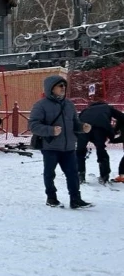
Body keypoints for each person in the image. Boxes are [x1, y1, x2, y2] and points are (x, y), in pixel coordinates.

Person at [29, 75, 92, 209]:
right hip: (50, 147)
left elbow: (75, 123)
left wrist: (82, 127)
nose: (63, 88)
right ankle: (51, 198)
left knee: (73, 174)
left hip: (68, 147)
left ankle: (75, 199)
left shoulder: (69, 104)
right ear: (51, 88)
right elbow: (33, 125)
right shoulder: (40, 105)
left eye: (64, 86)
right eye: (60, 86)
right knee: (50, 173)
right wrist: (51, 130)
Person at [75, 99, 124, 184]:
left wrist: (78, 137)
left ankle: (80, 175)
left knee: (80, 151)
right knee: (101, 150)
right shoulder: (107, 107)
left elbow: (77, 122)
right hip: (100, 129)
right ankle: (104, 176)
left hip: (84, 128)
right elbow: (122, 117)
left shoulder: (86, 110)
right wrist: (114, 131)